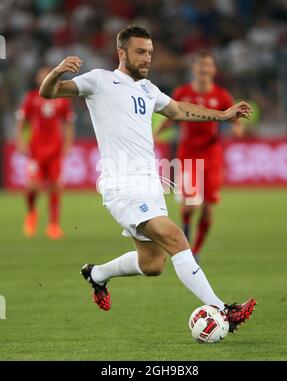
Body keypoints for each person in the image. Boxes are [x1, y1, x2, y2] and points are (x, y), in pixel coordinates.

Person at [39, 26, 256, 333]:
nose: (147, 58)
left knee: (153, 264)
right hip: (122, 184)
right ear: (122, 53)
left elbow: (179, 110)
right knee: (177, 238)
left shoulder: (148, 89)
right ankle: (223, 310)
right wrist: (57, 71)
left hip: (149, 184)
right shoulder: (100, 80)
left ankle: (97, 274)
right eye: (140, 52)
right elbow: (48, 92)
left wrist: (221, 115)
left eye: (150, 53)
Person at [156, 51, 244, 261]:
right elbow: (171, 114)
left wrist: (237, 129)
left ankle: (196, 249)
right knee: (191, 204)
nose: (204, 70)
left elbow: (234, 120)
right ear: (194, 69)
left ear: (213, 70)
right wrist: (158, 131)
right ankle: (185, 230)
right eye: (200, 66)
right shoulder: (182, 92)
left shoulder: (222, 96)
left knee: (207, 208)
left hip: (212, 157)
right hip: (188, 155)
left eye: (208, 66)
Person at [16, 67, 75, 239]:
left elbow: (68, 123)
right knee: (32, 186)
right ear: (37, 78)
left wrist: (68, 144)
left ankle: (54, 225)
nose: (43, 77)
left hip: (55, 150)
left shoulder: (62, 99)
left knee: (55, 186)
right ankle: (32, 213)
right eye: (41, 74)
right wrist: (20, 140)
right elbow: (22, 122)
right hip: (35, 150)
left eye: (47, 74)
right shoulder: (31, 98)